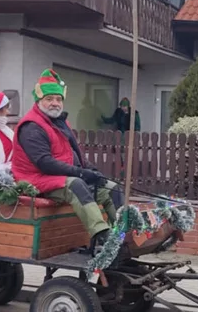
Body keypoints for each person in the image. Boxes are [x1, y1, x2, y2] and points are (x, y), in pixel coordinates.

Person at [11, 69, 119, 252]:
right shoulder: (32, 127)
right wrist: (81, 173)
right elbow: (44, 163)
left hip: (58, 175)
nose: (55, 103)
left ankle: (123, 234)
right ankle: (103, 235)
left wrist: (92, 171)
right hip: (35, 179)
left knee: (111, 188)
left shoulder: (60, 122)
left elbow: (73, 154)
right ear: (39, 100)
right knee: (76, 184)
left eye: (58, 99)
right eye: (49, 98)